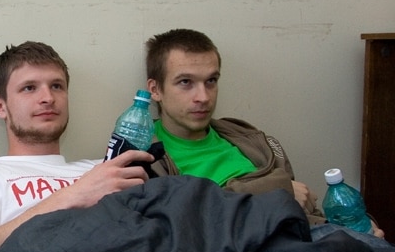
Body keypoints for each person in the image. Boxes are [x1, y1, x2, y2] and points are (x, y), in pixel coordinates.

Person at [145, 28, 385, 238]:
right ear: (155, 89)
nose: (203, 97)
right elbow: (175, 228)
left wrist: (355, 227)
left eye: (211, 81)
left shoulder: (248, 138)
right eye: (185, 82)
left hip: (300, 238)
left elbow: (307, 210)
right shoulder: (143, 157)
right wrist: (275, 191)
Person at [0, 41, 153, 252]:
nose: (48, 98)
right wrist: (70, 196)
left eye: (57, 86)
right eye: (29, 88)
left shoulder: (104, 169)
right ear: (0, 107)